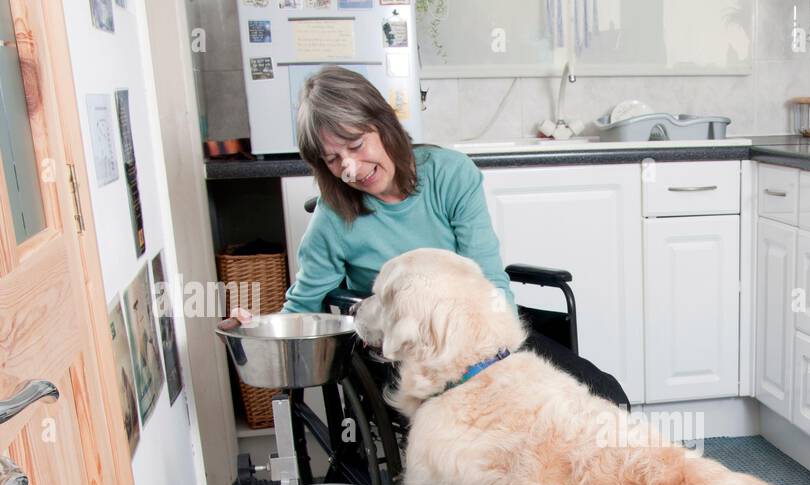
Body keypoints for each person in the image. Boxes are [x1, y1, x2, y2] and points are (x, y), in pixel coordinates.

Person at [235, 65, 627, 409]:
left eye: (355, 145)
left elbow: (488, 276)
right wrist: (256, 329)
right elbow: (304, 306)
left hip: (478, 338)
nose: (350, 169)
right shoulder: (333, 217)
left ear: (383, 124)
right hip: (407, 356)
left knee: (605, 396)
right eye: (333, 159)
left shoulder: (450, 175)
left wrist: (501, 358)